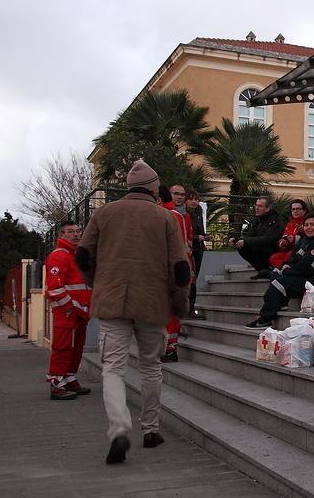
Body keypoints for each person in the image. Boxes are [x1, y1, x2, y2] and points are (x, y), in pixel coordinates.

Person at [75, 159, 191, 464]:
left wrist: (98, 283)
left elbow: (83, 255)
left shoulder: (103, 213)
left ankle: (119, 430)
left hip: (112, 301)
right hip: (152, 303)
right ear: (155, 188)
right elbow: (180, 268)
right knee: (151, 365)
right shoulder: (164, 217)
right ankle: (151, 429)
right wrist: (180, 305)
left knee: (112, 367)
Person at [245, 213, 314, 328]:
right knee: (275, 274)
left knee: (279, 282)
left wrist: (288, 271)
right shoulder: (304, 240)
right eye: (306, 225)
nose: (309, 227)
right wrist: (285, 266)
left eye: (313, 225)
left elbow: (308, 267)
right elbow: (293, 257)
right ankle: (281, 303)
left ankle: (265, 319)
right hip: (301, 276)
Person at [44, 220, 92, 400]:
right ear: (61, 235)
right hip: (67, 312)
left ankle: (69, 378)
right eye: (70, 232)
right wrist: (70, 309)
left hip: (78, 312)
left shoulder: (76, 254)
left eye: (78, 231)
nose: (76, 234)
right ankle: (57, 384)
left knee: (76, 347)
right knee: (63, 348)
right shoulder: (59, 255)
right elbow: (55, 288)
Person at [158, 185, 193, 363]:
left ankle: (169, 346)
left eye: (182, 194)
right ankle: (168, 345)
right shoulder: (176, 215)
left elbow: (182, 245)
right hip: (172, 268)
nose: (180, 197)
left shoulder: (170, 216)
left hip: (168, 270)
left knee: (170, 309)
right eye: (176, 194)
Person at [229, 197, 282, 279]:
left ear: (267, 208)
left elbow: (268, 239)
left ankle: (266, 269)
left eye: (260, 206)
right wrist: (237, 240)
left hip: (273, 250)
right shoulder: (257, 220)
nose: (256, 208)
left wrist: (246, 241)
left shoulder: (275, 220)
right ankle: (261, 270)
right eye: (256, 205)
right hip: (261, 248)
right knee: (242, 247)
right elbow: (249, 236)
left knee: (253, 245)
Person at [185, 190, 207, 315]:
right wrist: (196, 237)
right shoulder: (184, 214)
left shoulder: (199, 212)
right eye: (191, 199)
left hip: (198, 249)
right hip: (190, 248)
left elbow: (200, 230)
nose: (194, 202)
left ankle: (191, 307)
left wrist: (204, 236)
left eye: (196, 199)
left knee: (195, 278)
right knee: (190, 278)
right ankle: (189, 308)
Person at [269, 200, 307, 269]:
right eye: (293, 209)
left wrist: (293, 240)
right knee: (273, 258)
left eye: (298, 209)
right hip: (289, 251)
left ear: (304, 211)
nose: (295, 211)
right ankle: (286, 270)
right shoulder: (290, 224)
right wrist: (283, 243)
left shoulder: (307, 223)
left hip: (301, 252)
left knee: (289, 256)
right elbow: (283, 240)